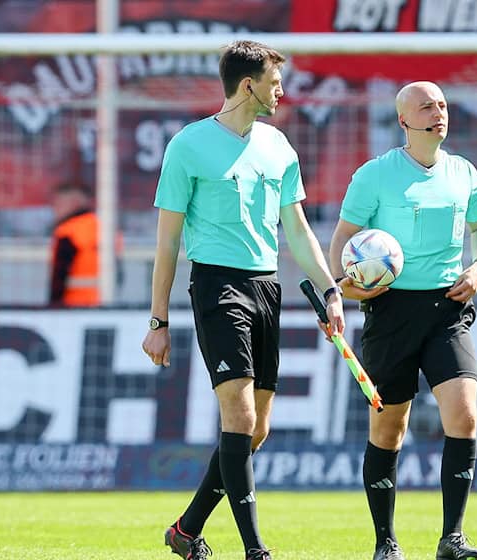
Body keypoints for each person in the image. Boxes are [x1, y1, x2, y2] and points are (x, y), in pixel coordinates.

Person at [141, 40, 344, 560]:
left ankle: (186, 529)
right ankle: (256, 549)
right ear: (248, 84)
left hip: (267, 286)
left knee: (257, 428)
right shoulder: (188, 145)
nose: (282, 91)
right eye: (275, 82)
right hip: (217, 285)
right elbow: (166, 242)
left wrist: (329, 290)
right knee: (240, 415)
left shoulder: (279, 148)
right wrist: (158, 319)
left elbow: (297, 231)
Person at [328, 81, 477, 560]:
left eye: (442, 104)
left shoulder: (465, 174)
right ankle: (386, 543)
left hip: (448, 309)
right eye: (425, 107)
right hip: (390, 312)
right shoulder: (374, 176)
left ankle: (453, 539)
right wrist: (345, 284)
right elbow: (343, 237)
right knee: (388, 430)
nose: (437, 112)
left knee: (463, 416)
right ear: (404, 121)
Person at [48, 183, 100, 307]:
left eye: (59, 204)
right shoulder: (104, 227)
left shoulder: (68, 231)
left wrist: (53, 305)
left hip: (73, 304)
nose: (55, 209)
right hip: (104, 301)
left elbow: (59, 276)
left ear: (74, 203)